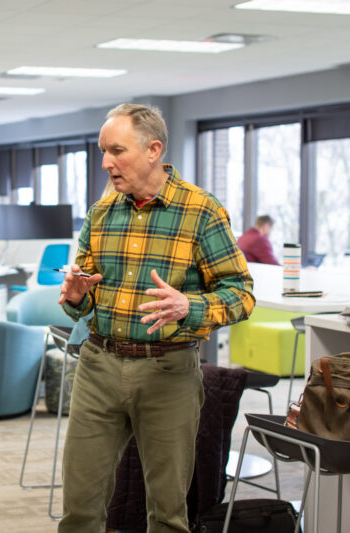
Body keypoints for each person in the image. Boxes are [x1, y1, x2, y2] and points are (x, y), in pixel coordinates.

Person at [58, 104, 255, 532]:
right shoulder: (101, 212)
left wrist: (191, 307)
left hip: (169, 372)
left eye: (116, 150)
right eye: (102, 151)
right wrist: (75, 297)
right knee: (79, 509)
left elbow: (241, 294)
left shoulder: (201, 211)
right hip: (98, 365)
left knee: (167, 515)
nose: (106, 162)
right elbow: (83, 298)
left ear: (154, 150)